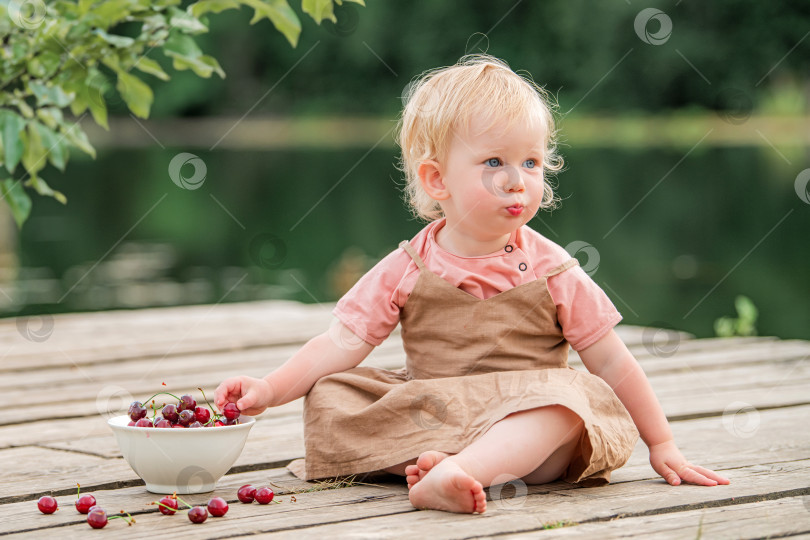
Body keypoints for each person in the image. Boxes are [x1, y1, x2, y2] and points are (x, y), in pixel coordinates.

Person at [215, 54, 729, 514]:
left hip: (528, 432)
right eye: (494, 163)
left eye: (530, 162)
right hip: (437, 413)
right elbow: (340, 343)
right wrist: (271, 388)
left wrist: (661, 443)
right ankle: (444, 464)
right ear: (438, 180)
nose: (517, 180)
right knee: (331, 393)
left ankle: (458, 471)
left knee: (572, 400)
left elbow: (614, 362)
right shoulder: (410, 266)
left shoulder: (553, 271)